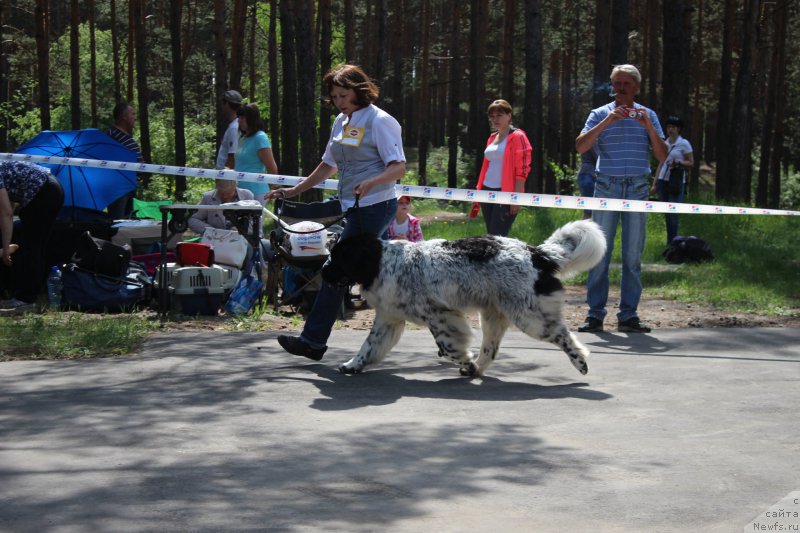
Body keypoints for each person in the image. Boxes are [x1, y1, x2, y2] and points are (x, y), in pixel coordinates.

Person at [265, 64, 406, 361]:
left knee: (335, 269)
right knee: (373, 273)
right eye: (335, 96)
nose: (339, 102)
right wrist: (294, 191)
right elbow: (328, 165)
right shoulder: (342, 122)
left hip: (375, 206)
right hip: (353, 207)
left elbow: (398, 167)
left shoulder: (380, 121)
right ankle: (418, 316)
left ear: (360, 90)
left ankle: (313, 341)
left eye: (344, 95)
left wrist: (372, 181)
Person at [575, 64, 667, 333]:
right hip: (606, 188)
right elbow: (581, 146)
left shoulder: (648, 115)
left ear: (637, 87)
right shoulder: (599, 113)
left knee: (632, 256)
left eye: (626, 84)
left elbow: (663, 155)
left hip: (637, 189)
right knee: (599, 254)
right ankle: (595, 315)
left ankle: (628, 315)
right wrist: (608, 122)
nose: (620, 88)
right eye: (616, 83)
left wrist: (648, 125)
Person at [0, 160, 65, 313]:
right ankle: (27, 294)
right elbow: (9, 202)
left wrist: (6, 246)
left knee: (31, 247)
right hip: (50, 188)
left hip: (44, 192)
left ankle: (26, 299)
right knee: (33, 244)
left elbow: (7, 213)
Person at [474, 99, 532, 236]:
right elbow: (486, 166)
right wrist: (478, 190)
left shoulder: (519, 136)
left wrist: (515, 197)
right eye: (492, 116)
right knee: (491, 235)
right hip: (486, 189)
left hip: (506, 192)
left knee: (497, 235)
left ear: (509, 115)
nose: (495, 119)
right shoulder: (492, 137)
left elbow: (523, 170)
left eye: (499, 115)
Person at [651, 115, 694, 247]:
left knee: (673, 212)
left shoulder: (684, 143)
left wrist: (678, 162)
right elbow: (661, 163)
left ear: (679, 129)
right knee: (666, 212)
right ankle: (670, 242)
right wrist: (655, 183)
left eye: (673, 127)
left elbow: (691, 162)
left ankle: (673, 244)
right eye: (669, 127)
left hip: (676, 181)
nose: (671, 129)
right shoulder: (665, 143)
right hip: (663, 180)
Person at [234, 103, 278, 205]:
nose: (239, 120)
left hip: (256, 192)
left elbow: (272, 167)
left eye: (242, 117)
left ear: (251, 118)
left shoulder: (260, 137)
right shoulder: (242, 138)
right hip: (239, 191)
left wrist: (271, 190)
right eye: (239, 117)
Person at [106, 102, 144, 219]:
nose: (135, 117)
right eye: (132, 114)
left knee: (128, 224)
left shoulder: (126, 136)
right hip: (118, 189)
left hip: (130, 186)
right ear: (124, 117)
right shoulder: (111, 135)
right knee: (117, 223)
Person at [188, 178, 256, 235]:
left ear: (234, 185)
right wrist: (213, 231)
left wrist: (242, 229)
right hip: (215, 240)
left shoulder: (247, 195)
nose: (224, 196)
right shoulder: (208, 198)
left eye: (228, 193)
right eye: (220, 192)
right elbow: (192, 220)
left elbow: (256, 221)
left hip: (244, 239)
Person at [216, 90, 243, 170]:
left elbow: (232, 157)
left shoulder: (234, 127)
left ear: (227, 104)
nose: (221, 106)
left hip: (226, 177)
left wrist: (225, 178)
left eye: (223, 103)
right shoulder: (234, 125)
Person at [577, 147, 598, 219]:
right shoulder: (589, 136)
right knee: (589, 213)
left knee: (595, 212)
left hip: (594, 175)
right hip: (588, 177)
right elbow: (599, 156)